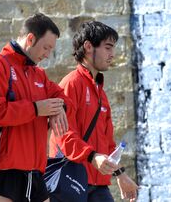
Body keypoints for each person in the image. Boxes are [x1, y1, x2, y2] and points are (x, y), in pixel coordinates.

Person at [0, 13, 70, 202]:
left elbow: (62, 96)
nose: (47, 54)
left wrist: (59, 109)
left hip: (34, 172)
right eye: (46, 47)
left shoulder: (38, 74)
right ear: (31, 39)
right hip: (2, 173)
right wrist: (35, 109)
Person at [49, 21, 138, 202]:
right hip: (70, 180)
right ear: (88, 47)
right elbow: (63, 134)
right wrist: (92, 156)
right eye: (108, 47)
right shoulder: (71, 84)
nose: (112, 54)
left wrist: (120, 174)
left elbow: (107, 142)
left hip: (98, 186)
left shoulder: (100, 93)